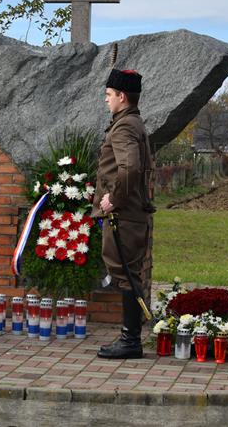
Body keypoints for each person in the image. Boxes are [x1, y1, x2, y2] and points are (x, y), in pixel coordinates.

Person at [91, 68, 156, 359]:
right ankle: (130, 338)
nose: (106, 100)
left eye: (108, 95)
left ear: (122, 96)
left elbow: (130, 168)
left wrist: (113, 201)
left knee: (127, 274)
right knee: (127, 274)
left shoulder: (125, 127)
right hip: (130, 214)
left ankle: (131, 340)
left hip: (125, 215)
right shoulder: (132, 123)